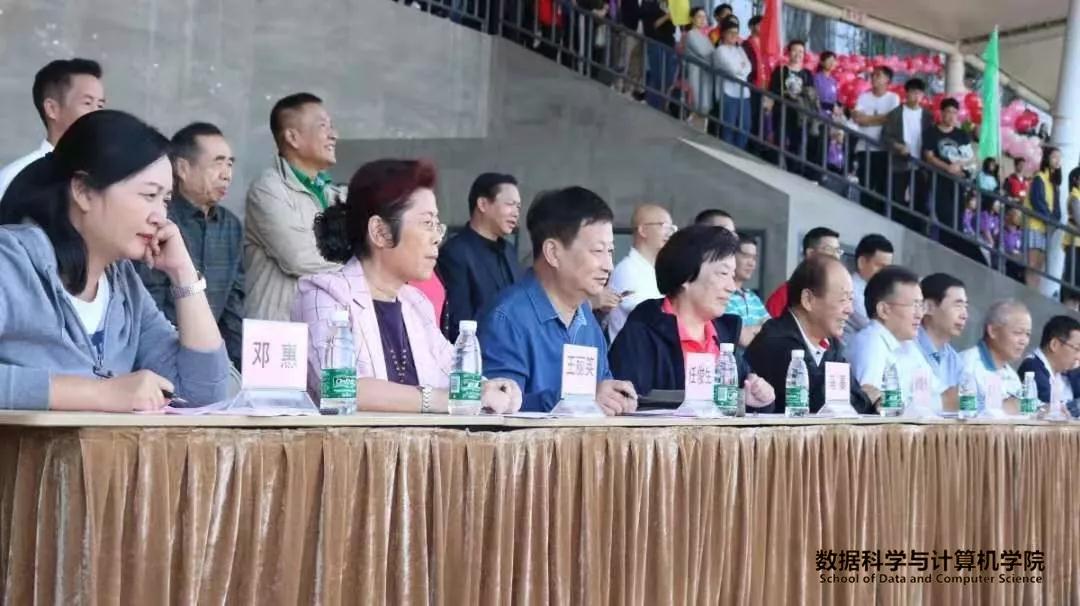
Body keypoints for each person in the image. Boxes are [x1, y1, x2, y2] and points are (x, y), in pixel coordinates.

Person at [0, 110, 228, 411]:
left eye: (165, 200)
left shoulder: (124, 287)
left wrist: (184, 274)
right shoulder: (11, 262)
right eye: (149, 195)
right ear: (83, 191)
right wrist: (97, 393)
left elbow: (202, 393)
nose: (160, 216)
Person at [292, 159, 522, 414]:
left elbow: (454, 373)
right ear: (380, 232)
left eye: (437, 225)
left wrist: (492, 388)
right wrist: (442, 400)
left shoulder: (416, 303)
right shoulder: (324, 294)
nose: (437, 238)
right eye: (427, 223)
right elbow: (341, 389)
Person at [478, 187, 639, 415]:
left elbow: (600, 393)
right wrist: (580, 400)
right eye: (597, 251)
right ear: (553, 253)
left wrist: (616, 399)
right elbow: (497, 411)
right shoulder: (506, 318)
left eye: (610, 251)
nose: (608, 266)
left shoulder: (587, 321)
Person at [609, 225, 774, 405]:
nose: (731, 287)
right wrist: (726, 399)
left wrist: (760, 398)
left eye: (732, 275)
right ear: (686, 275)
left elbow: (746, 397)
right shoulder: (641, 332)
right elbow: (631, 401)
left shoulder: (724, 334)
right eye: (723, 273)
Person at [136, 123, 243, 368]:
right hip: (157, 356)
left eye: (230, 164)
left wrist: (234, 367)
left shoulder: (231, 225)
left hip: (210, 358)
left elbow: (233, 306)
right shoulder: (158, 221)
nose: (226, 174)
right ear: (182, 168)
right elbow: (149, 299)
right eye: (217, 163)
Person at [244, 93, 343, 322]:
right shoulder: (268, 189)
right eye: (323, 126)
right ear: (292, 137)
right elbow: (300, 258)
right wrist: (363, 266)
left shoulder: (333, 194)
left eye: (331, 126)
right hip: (279, 332)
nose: (334, 135)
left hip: (325, 327)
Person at [745, 256, 874, 414]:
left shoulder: (831, 344)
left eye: (851, 299)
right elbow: (819, 403)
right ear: (808, 300)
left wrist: (869, 400)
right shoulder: (776, 342)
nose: (850, 310)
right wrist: (865, 398)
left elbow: (860, 403)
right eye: (842, 300)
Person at [0, 59, 105, 201]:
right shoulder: (15, 178)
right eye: (87, 103)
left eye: (100, 105)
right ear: (52, 109)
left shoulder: (110, 175)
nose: (97, 113)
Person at [437, 172, 523, 342]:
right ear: (483, 204)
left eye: (518, 207)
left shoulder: (509, 251)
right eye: (510, 204)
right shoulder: (455, 253)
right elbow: (458, 323)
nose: (515, 213)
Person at [847, 266, 944, 410]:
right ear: (884, 310)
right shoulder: (871, 343)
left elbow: (936, 395)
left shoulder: (908, 344)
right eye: (913, 305)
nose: (920, 314)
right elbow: (869, 405)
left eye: (920, 305)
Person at [607, 203, 676, 342]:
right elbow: (648, 315)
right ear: (643, 230)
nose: (670, 233)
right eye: (663, 226)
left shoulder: (659, 270)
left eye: (672, 228)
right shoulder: (627, 269)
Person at [923, 98, 978, 262]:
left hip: (958, 182)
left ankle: (956, 252)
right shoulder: (932, 132)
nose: (952, 116)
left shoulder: (961, 134)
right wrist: (947, 167)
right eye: (949, 112)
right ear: (942, 113)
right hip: (940, 180)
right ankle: (945, 249)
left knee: (958, 217)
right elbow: (929, 156)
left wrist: (959, 166)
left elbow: (970, 157)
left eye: (955, 112)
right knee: (945, 216)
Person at [958, 299, 1031, 411]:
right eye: (1018, 332)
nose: (1024, 341)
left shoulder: (1012, 375)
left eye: (1028, 334)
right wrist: (1004, 408)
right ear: (992, 331)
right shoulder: (967, 365)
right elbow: (959, 413)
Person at [880, 78, 932, 232]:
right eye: (913, 92)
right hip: (900, 163)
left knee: (920, 201)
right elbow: (886, 136)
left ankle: (918, 231)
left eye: (919, 93)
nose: (916, 96)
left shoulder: (927, 116)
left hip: (921, 165)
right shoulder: (896, 114)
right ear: (906, 93)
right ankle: (896, 229)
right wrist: (898, 146)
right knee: (897, 198)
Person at [852, 66, 900, 215]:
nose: (874, 77)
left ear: (887, 80)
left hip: (884, 149)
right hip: (864, 148)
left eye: (878, 75)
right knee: (865, 185)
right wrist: (879, 119)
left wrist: (867, 119)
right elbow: (857, 118)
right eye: (873, 75)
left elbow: (891, 118)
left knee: (882, 188)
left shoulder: (893, 98)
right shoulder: (864, 97)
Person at [915, 273, 968, 410]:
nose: (964, 315)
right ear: (928, 307)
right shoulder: (908, 347)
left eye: (965, 307)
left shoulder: (953, 359)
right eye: (958, 306)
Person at [764, 226, 841, 318]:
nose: (836, 256)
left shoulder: (838, 292)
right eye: (829, 250)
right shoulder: (784, 295)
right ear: (810, 254)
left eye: (837, 251)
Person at [768, 40, 816, 174]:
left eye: (801, 52)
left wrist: (802, 95)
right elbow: (772, 90)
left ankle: (794, 171)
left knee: (798, 143)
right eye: (795, 50)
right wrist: (785, 93)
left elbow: (812, 95)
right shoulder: (781, 70)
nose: (798, 54)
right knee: (780, 140)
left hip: (800, 114)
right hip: (782, 111)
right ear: (788, 52)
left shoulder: (807, 74)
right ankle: (777, 169)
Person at [1017, 315, 1080, 408]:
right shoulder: (1032, 369)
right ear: (1054, 345)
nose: (1078, 357)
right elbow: (1051, 409)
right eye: (1077, 349)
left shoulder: (1066, 371)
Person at [1024, 147, 1063, 293]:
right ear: (1047, 159)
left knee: (1039, 266)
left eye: (1059, 158)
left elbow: (1056, 207)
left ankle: (1034, 294)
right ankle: (1030, 293)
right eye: (1054, 157)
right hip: (1034, 225)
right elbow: (1037, 201)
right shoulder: (1039, 177)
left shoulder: (1054, 183)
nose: (1058, 160)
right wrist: (1050, 218)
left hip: (1045, 228)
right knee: (1032, 264)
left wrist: (1055, 220)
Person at [843, 233, 894, 342]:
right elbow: (877, 326)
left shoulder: (877, 290)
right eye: (880, 266)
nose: (885, 272)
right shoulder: (851, 290)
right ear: (861, 262)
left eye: (888, 268)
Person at [713, 18, 753, 149]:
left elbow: (749, 67)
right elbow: (731, 70)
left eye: (736, 33)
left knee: (745, 126)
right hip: (727, 92)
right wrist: (741, 68)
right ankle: (726, 153)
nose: (734, 35)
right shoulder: (720, 50)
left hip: (744, 93)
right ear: (723, 33)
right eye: (730, 32)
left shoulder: (740, 49)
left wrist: (741, 69)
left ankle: (738, 152)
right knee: (728, 126)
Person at [725, 232, 769, 347]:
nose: (751, 263)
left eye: (754, 258)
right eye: (745, 256)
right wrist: (761, 327)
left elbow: (773, 331)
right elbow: (743, 339)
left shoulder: (754, 298)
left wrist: (750, 329)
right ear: (731, 256)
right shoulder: (723, 295)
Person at [642, 0, 678, 111]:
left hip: (669, 44)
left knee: (668, 78)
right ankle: (653, 104)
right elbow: (651, 26)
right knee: (657, 76)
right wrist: (667, 16)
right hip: (656, 43)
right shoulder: (651, 5)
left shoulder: (671, 7)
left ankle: (662, 105)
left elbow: (673, 29)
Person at [682, 7, 715, 130]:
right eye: (699, 16)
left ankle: (696, 129)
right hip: (696, 73)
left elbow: (711, 53)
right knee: (700, 104)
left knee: (705, 106)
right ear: (692, 19)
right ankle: (690, 128)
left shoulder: (705, 36)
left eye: (704, 17)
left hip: (706, 74)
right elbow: (704, 53)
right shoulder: (691, 34)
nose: (702, 19)